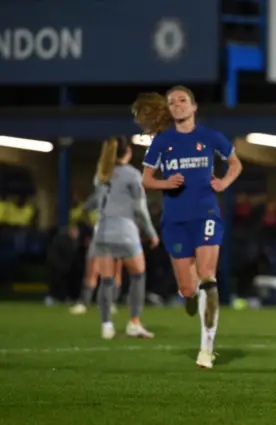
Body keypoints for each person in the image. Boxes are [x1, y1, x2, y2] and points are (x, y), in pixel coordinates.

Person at [132, 85, 243, 368]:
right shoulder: (162, 142)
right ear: (168, 109)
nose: (178, 104)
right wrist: (165, 183)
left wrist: (224, 183)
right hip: (175, 220)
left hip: (206, 214)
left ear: (193, 107)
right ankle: (190, 295)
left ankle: (206, 349)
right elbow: (146, 179)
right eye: (172, 102)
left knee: (208, 277)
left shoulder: (210, 137)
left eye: (183, 100)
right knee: (187, 287)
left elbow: (235, 164)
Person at [91, 135, 159, 340]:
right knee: (138, 274)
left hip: (101, 232)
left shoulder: (101, 174)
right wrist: (151, 233)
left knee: (107, 279)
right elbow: (140, 209)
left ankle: (106, 326)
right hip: (124, 232)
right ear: (128, 153)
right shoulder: (132, 175)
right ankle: (134, 322)